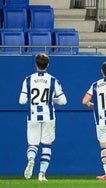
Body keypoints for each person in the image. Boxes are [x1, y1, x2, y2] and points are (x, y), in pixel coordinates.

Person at [19, 53, 67, 181]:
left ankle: (31, 159)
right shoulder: (53, 80)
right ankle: (42, 174)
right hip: (48, 116)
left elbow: (22, 101)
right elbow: (63, 101)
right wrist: (53, 100)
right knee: (47, 145)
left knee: (32, 144)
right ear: (48, 65)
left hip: (33, 116)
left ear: (35, 65)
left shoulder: (28, 79)